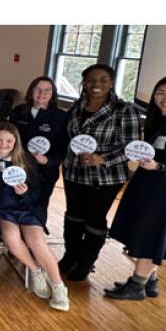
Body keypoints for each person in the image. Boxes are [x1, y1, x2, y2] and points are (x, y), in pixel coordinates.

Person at [107, 75, 166, 300]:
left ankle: (137, 285)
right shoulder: (156, 119)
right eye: (162, 92)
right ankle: (151, 281)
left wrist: (161, 165)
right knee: (144, 231)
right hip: (146, 184)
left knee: (151, 235)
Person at [58, 64, 141, 281]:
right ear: (84, 83)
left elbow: (132, 147)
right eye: (91, 80)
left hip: (105, 177)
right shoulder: (77, 106)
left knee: (94, 220)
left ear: (112, 82)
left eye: (103, 79)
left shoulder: (125, 110)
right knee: (73, 216)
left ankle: (86, 262)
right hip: (74, 173)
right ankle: (70, 255)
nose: (97, 84)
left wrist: (102, 159)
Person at [0, 122, 69, 311]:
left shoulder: (27, 161)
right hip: (3, 211)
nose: (3, 144)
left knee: (37, 242)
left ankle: (58, 286)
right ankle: (35, 270)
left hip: (27, 208)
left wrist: (24, 193)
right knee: (11, 239)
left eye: (8, 141)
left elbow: (38, 192)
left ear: (15, 142)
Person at [7, 76, 68, 211]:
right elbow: (8, 137)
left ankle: (36, 230)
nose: (42, 94)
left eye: (47, 90)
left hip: (45, 172)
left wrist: (48, 160)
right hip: (18, 167)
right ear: (31, 91)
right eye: (38, 89)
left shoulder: (60, 116)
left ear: (52, 94)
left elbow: (64, 147)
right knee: (14, 202)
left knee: (39, 207)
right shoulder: (19, 111)